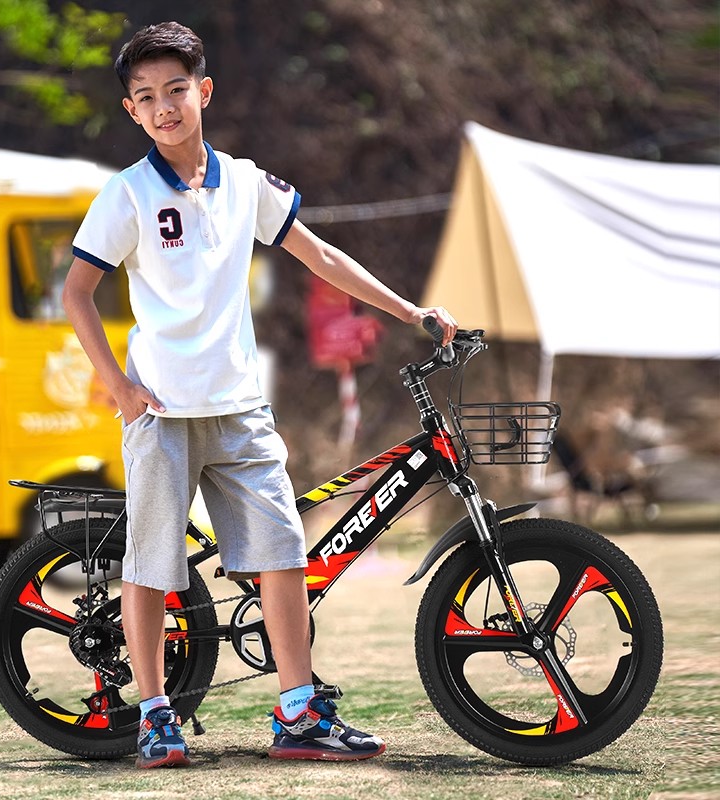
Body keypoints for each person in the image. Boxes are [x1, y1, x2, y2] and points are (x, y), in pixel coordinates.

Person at [62, 21, 457, 770]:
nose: (164, 106)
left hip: (240, 408)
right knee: (153, 566)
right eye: (146, 97)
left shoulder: (245, 183)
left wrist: (411, 312)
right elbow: (77, 292)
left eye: (176, 90)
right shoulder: (126, 195)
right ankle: (153, 715)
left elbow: (321, 255)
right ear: (132, 113)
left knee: (282, 558)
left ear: (203, 91)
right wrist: (116, 383)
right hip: (161, 413)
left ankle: (299, 713)